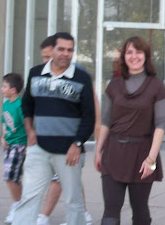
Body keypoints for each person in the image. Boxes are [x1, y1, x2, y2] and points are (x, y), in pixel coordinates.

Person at [14, 32, 95, 225]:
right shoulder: (35, 73)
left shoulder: (81, 78)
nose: (66, 54)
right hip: (39, 148)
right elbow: (27, 105)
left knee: (73, 201)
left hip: (69, 152)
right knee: (29, 198)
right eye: (61, 49)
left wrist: (77, 143)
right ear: (52, 50)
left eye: (70, 50)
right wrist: (29, 130)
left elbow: (89, 116)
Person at [94, 36, 165, 225]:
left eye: (138, 51)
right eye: (129, 52)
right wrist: (98, 151)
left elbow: (160, 125)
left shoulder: (156, 87)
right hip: (114, 153)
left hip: (142, 155)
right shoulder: (114, 85)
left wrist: (151, 159)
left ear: (146, 56)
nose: (134, 56)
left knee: (140, 209)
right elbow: (105, 121)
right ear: (123, 56)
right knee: (111, 210)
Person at [37, 34, 97, 225]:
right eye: (43, 57)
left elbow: (92, 107)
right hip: (47, 142)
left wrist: (80, 140)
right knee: (71, 181)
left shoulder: (77, 74)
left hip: (68, 141)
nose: (45, 61)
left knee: (61, 179)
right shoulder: (43, 74)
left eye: (47, 56)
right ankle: (83, 214)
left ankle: (44, 215)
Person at [1, 73, 26, 224]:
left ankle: (17, 206)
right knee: (14, 178)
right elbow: (4, 122)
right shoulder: (6, 104)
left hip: (19, 145)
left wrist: (28, 145)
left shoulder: (19, 105)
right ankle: (21, 206)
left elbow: (27, 125)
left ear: (13, 90)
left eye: (4, 86)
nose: (1, 89)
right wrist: (3, 136)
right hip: (9, 145)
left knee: (10, 177)